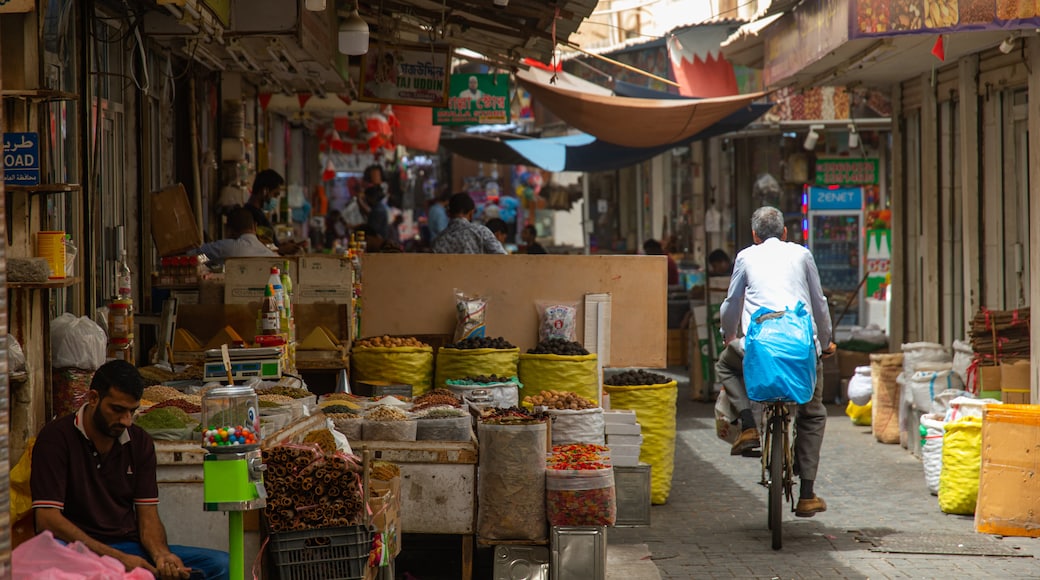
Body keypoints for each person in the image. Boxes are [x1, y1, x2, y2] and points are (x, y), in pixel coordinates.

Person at [30, 360, 230, 579]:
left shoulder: (139, 441)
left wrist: (161, 554)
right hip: (75, 549)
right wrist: (118, 559)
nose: (126, 420)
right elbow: (47, 519)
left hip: (128, 547)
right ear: (93, 398)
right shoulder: (55, 439)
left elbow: (148, 517)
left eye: (132, 411)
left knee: (220, 564)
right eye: (117, 410)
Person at [715, 206, 836, 518]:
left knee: (726, 365)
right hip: (801, 346)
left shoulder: (745, 257)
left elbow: (731, 304)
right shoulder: (802, 255)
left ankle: (748, 425)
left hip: (760, 346)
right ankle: (807, 493)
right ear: (785, 234)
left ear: (755, 236)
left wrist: (729, 335)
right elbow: (819, 303)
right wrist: (823, 343)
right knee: (811, 413)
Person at [244, 169, 302, 256]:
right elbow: (254, 248)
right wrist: (281, 249)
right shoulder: (250, 215)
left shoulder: (259, 213)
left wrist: (282, 245)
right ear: (265, 191)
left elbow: (268, 243)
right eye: (275, 195)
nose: (275, 200)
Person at [191, 207, 276, 265]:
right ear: (255, 226)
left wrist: (209, 259)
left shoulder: (225, 248)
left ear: (229, 230)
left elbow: (196, 256)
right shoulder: (271, 255)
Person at [432, 193, 507, 254]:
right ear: (471, 213)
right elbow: (502, 257)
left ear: (448, 213)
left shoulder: (439, 240)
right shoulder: (482, 232)